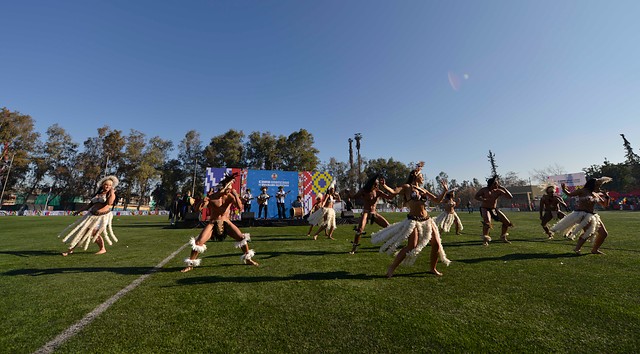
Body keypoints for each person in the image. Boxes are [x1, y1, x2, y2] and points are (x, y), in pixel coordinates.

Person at [372, 162, 451, 277]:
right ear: (416, 175)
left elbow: (437, 200)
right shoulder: (407, 187)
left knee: (437, 244)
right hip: (413, 221)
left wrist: (444, 191)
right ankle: (392, 268)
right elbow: (394, 192)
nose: (423, 177)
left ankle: (432, 268)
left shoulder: (423, 190)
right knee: (411, 246)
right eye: (421, 175)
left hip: (427, 221)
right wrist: (384, 186)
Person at [182, 173, 258, 272]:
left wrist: (235, 195)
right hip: (213, 223)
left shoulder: (230, 196)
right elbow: (197, 209)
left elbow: (240, 207)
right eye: (228, 188)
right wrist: (202, 201)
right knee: (198, 242)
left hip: (226, 222)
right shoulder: (212, 197)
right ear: (223, 187)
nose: (230, 190)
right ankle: (190, 264)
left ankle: (248, 259)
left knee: (241, 238)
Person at [59, 175, 119, 256]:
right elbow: (89, 205)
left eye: (110, 185)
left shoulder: (111, 194)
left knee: (94, 232)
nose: (108, 186)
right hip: (91, 215)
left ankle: (102, 249)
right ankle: (70, 249)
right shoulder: (98, 194)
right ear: (102, 185)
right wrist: (79, 211)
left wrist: (112, 193)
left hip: (102, 217)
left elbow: (110, 203)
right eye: (106, 184)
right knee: (82, 231)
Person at [550, 177, 612, 255]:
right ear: (593, 185)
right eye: (598, 185)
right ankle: (577, 248)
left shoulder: (595, 194)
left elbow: (605, 205)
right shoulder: (582, 191)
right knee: (588, 232)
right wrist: (564, 189)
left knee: (603, 234)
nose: (599, 188)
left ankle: (594, 250)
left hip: (592, 215)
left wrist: (607, 196)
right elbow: (570, 194)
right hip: (582, 214)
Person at [348, 174, 393, 254]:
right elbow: (354, 197)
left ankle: (389, 245)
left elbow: (390, 197)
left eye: (378, 184)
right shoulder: (363, 190)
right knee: (360, 229)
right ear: (371, 184)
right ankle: (353, 249)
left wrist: (385, 186)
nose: (377, 186)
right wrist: (348, 193)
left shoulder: (378, 192)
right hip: (366, 212)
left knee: (388, 227)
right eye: (376, 184)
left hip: (374, 213)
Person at [474, 176, 514, 246]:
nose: (497, 185)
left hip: (494, 209)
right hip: (485, 208)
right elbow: (476, 196)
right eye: (496, 184)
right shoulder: (484, 190)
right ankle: (485, 240)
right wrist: (482, 200)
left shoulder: (498, 191)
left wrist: (503, 188)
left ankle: (503, 237)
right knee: (487, 223)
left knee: (507, 222)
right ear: (492, 184)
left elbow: (510, 197)